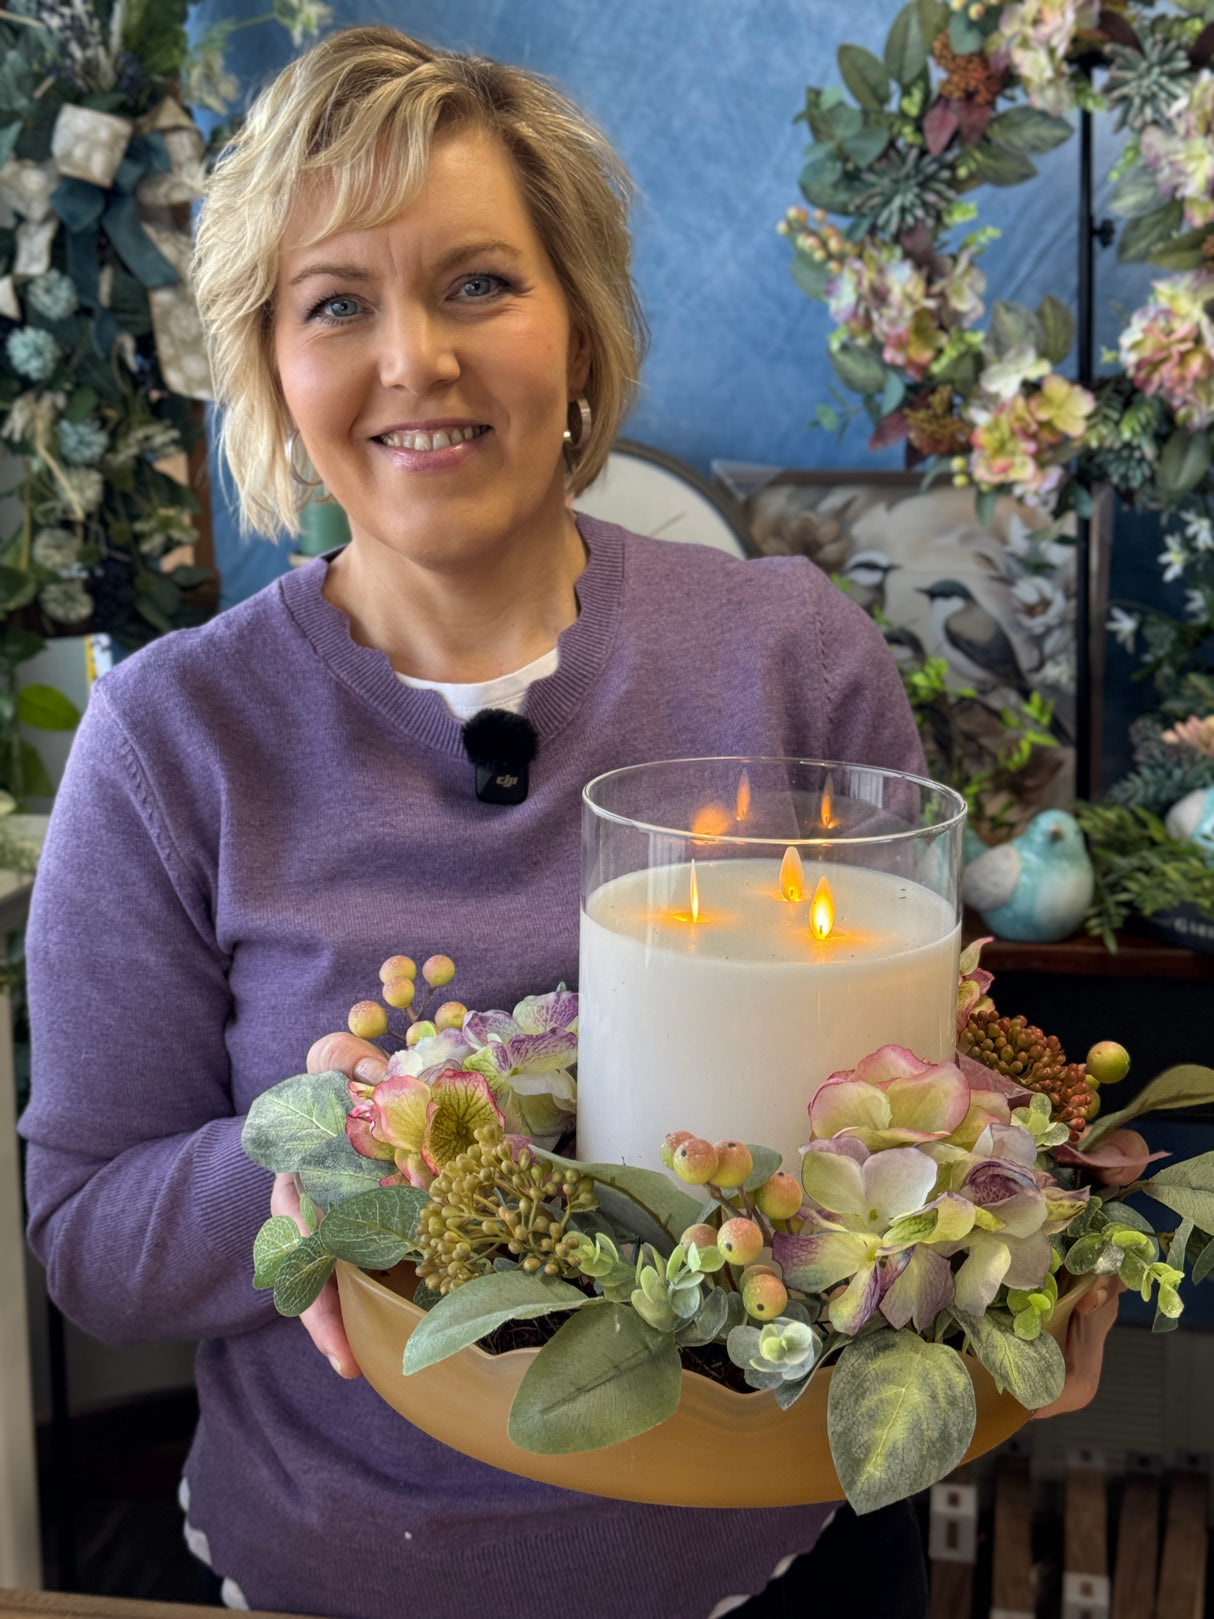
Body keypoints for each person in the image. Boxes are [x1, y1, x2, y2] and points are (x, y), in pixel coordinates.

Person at [20, 26, 1119, 1619]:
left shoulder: (788, 653)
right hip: (344, 1572)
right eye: (337, 302)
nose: (416, 359)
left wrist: (1030, 1240)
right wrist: (333, 1159)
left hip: (774, 1550)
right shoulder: (172, 736)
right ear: (272, 365)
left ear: (581, 326)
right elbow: (89, 1240)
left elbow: (927, 1088)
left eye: (477, 282)